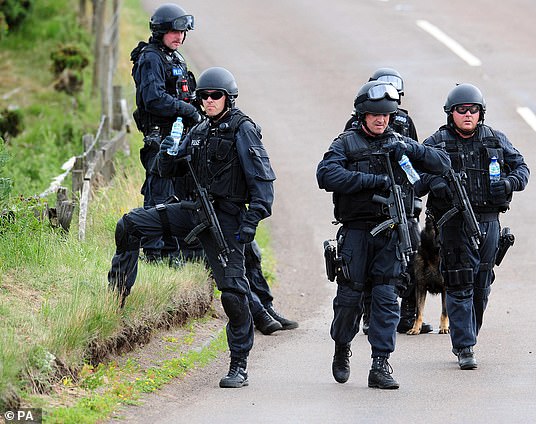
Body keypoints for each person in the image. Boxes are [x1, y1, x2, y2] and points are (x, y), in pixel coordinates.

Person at [108, 67, 276, 388]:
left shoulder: (243, 130)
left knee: (232, 294)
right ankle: (116, 298)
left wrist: (249, 225)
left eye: (215, 96)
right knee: (129, 225)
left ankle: (238, 365)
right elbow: (164, 170)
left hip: (226, 220)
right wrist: (167, 149)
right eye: (203, 96)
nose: (209, 101)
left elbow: (263, 184)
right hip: (194, 211)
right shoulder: (198, 130)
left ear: (229, 98)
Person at [316, 81, 450, 389]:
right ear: (363, 114)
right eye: (375, 115)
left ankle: (380, 363)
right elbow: (326, 175)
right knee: (349, 298)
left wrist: (411, 149)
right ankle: (342, 347)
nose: (381, 120)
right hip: (357, 233)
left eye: (387, 115)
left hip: (391, 233)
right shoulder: (347, 143)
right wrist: (372, 181)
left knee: (387, 298)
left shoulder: (399, 143)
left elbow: (439, 165)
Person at [417, 83, 529, 370]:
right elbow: (412, 176)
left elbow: (522, 169)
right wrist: (434, 182)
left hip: (489, 221)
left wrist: (508, 183)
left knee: (482, 284)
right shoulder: (437, 143)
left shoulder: (495, 140)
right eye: (461, 110)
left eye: (473, 110)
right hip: (452, 223)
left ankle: (468, 333)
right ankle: (464, 345)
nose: (468, 114)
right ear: (450, 113)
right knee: (459, 280)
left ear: (481, 113)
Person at [344, 67, 431, 336]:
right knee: (367, 270)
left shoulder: (403, 124)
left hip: (402, 206)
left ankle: (406, 315)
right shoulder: (354, 126)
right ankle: (371, 316)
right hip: (367, 208)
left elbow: (417, 162)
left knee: (411, 257)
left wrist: (414, 197)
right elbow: (342, 165)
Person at [129, 3, 201, 264]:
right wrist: (187, 110)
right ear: (161, 31)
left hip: (181, 137)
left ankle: (176, 251)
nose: (179, 37)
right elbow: (154, 99)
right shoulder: (151, 58)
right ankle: (154, 252)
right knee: (160, 193)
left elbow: (186, 92)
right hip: (160, 138)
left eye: (182, 33)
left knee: (181, 194)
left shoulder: (175, 58)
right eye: (174, 32)